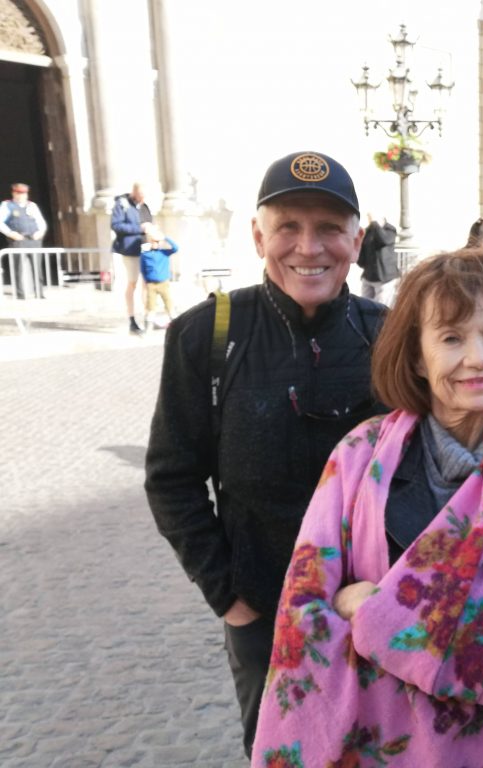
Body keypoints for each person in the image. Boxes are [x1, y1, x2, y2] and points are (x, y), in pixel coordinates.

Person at [251, 250, 483, 767]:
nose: (479, 358)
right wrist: (455, 643)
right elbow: (304, 614)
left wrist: (374, 613)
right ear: (416, 357)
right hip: (365, 745)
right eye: (452, 338)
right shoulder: (359, 458)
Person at [145, 151, 389, 759]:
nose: (309, 247)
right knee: (280, 752)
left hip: (375, 606)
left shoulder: (391, 334)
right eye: (288, 227)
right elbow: (171, 478)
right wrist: (229, 596)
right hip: (264, 612)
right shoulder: (206, 335)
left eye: (330, 228)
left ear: (356, 241)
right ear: (259, 237)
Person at [111, 182, 153, 334]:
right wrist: (139, 229)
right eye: (141, 196)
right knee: (132, 284)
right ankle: (132, 319)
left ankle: (148, 317)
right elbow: (116, 225)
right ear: (135, 193)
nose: (143, 199)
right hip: (130, 250)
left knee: (149, 285)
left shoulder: (144, 206)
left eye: (145, 196)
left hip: (147, 250)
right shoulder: (122, 204)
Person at [0, 182, 47, 299]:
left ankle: (39, 293)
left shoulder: (32, 206)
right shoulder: (7, 205)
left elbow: (41, 222)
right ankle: (20, 294)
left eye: (24, 193)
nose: (22, 196)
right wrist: (11, 233)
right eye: (19, 193)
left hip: (33, 240)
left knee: (37, 267)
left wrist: (40, 232)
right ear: (14, 193)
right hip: (18, 241)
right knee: (18, 268)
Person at [139, 227, 178, 331]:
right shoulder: (145, 255)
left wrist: (164, 237)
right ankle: (148, 328)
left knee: (169, 303)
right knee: (150, 306)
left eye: (157, 241)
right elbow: (142, 269)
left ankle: (176, 325)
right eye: (153, 241)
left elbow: (175, 248)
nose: (155, 243)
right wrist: (147, 281)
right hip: (151, 284)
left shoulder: (164, 253)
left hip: (163, 283)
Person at [356, 212, 400, 305]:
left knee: (381, 308)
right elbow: (362, 251)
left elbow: (383, 240)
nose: (370, 220)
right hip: (368, 277)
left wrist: (374, 223)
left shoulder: (390, 230)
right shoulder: (368, 231)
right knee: (364, 305)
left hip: (385, 278)